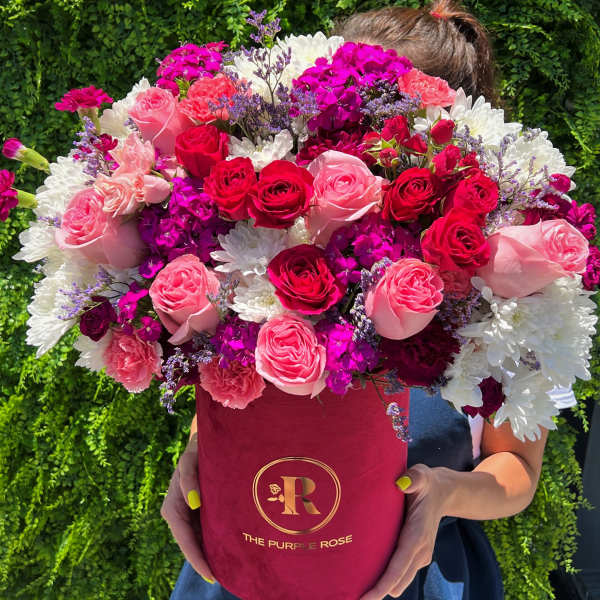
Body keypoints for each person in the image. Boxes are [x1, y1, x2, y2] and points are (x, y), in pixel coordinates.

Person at [162, 2, 553, 598]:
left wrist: (444, 493)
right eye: (340, 122)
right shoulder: (272, 243)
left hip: (410, 570)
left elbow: (518, 470)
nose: (357, 152)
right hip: (252, 552)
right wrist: (198, 457)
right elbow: (233, 389)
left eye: (381, 131)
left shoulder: (509, 279)